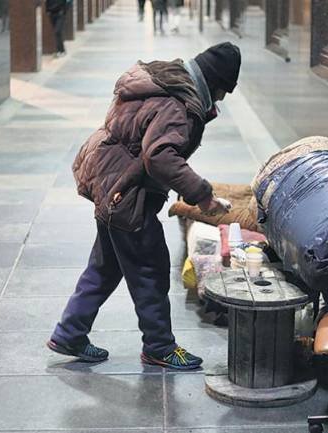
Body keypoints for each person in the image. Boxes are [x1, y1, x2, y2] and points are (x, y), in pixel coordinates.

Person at [47, 42, 242, 370]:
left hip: (111, 183)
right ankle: (159, 346)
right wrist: (202, 195)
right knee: (150, 269)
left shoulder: (167, 79)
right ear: (214, 82)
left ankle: (70, 332)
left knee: (106, 265)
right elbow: (159, 156)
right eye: (223, 91)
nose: (221, 99)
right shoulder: (179, 104)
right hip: (126, 194)